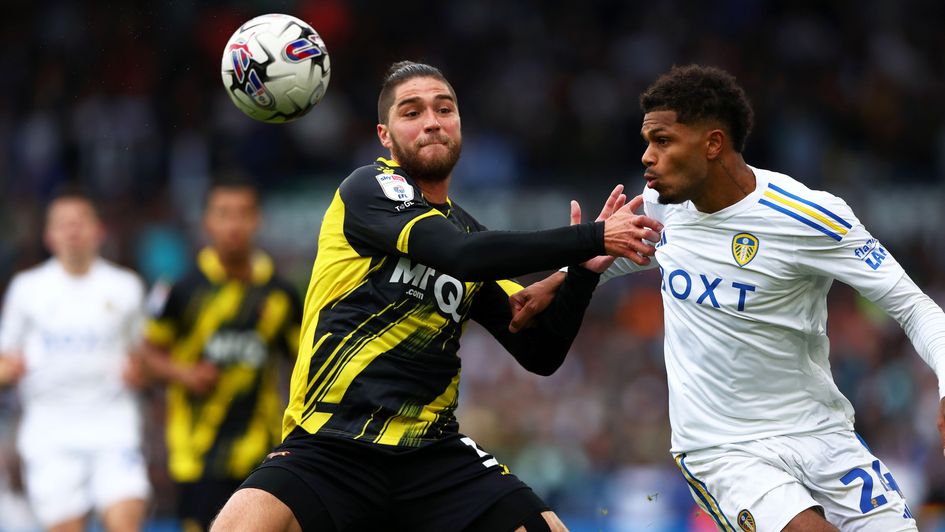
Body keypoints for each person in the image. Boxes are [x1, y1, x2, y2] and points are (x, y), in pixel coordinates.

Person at [210, 60, 662, 532]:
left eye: (444, 109)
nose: (431, 120)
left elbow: (540, 352)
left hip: (431, 453)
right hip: (331, 442)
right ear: (385, 135)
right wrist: (592, 237)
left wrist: (582, 276)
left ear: (459, 127)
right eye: (412, 111)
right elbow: (460, 255)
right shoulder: (367, 190)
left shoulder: (468, 231)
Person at [512, 64, 945, 531]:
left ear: (713, 144)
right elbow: (631, 249)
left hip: (822, 434)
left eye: (662, 141)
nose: (646, 157)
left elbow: (913, 306)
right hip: (722, 448)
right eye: (646, 141)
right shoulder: (662, 204)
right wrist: (560, 279)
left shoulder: (809, 218)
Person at [139, 177, 303, 532]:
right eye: (224, 214)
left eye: (243, 214)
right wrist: (185, 374)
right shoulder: (181, 289)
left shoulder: (280, 293)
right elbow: (146, 356)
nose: (234, 225)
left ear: (258, 220)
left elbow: (303, 362)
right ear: (207, 222)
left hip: (260, 454)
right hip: (195, 456)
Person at [0, 189, 150, 532]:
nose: (73, 230)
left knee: (126, 523)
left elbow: (143, 358)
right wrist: (9, 370)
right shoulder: (27, 289)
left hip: (114, 425)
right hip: (51, 431)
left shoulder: (126, 287)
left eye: (81, 222)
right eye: (63, 224)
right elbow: (4, 360)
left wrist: (142, 372)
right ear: (49, 236)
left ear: (99, 231)